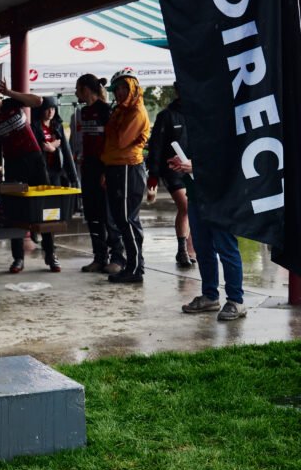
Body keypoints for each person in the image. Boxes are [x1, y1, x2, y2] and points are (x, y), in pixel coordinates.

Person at [0, 78, 60, 273]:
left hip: (35, 160)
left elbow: (38, 101)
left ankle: (50, 253)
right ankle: (18, 258)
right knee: (15, 210)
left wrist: (10, 92)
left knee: (45, 207)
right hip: (13, 165)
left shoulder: (12, 103)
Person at [169, 156, 247, 320]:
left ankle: (236, 300)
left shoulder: (225, 138)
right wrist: (183, 161)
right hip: (196, 196)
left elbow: (230, 161)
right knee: (203, 248)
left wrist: (197, 167)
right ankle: (210, 296)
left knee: (226, 248)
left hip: (221, 198)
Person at [101, 68, 151, 284]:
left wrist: (112, 125)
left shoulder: (135, 112)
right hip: (116, 167)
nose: (119, 92)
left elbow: (121, 140)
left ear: (133, 88)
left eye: (124, 87)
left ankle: (135, 268)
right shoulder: (121, 110)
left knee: (127, 219)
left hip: (128, 168)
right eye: (117, 88)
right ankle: (133, 266)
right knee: (121, 219)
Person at [73, 74, 125, 274]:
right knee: (92, 214)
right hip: (88, 169)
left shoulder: (106, 110)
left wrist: (106, 170)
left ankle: (118, 258)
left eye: (77, 89)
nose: (76, 93)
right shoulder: (83, 112)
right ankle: (99, 257)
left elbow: (111, 142)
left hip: (105, 169)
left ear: (86, 89)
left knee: (109, 215)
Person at [147, 84, 195, 269]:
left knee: (194, 208)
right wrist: (153, 175)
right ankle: (182, 250)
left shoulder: (199, 113)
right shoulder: (166, 116)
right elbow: (156, 146)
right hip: (172, 169)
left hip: (194, 168)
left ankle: (191, 249)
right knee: (186, 206)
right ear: (177, 90)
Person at [31, 96, 78, 188]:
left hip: (56, 169)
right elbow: (36, 147)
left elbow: (66, 150)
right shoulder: (35, 126)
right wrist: (52, 145)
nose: (50, 112)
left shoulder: (57, 126)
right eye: (47, 109)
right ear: (42, 110)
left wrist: (73, 177)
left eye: (53, 109)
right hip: (41, 170)